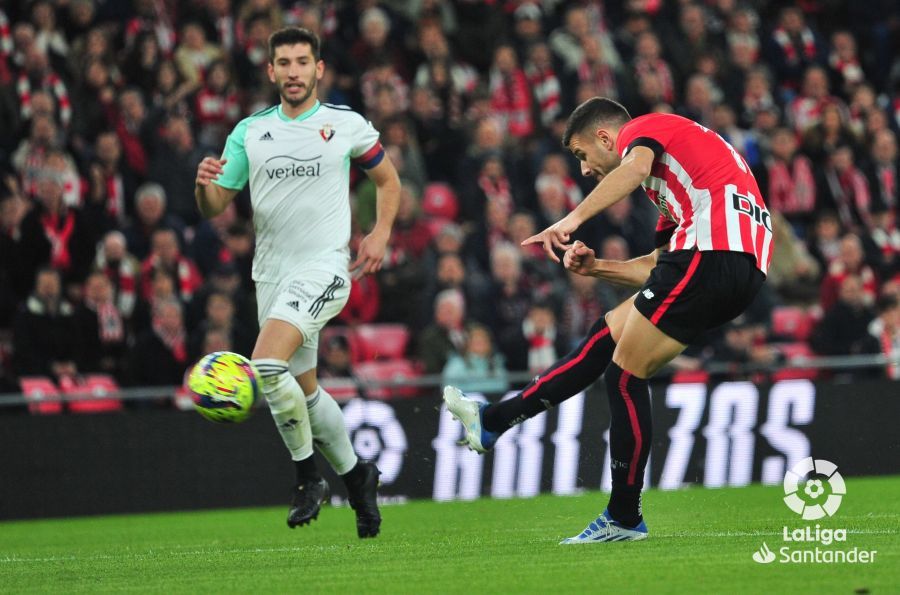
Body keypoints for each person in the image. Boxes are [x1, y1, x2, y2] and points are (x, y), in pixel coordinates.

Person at [443, 97, 771, 543]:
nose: (583, 169)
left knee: (623, 376)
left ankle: (624, 516)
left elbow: (632, 170)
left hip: (713, 254)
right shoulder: (676, 182)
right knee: (607, 334)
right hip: (738, 267)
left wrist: (570, 220)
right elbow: (659, 267)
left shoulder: (645, 131)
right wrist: (596, 268)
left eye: (582, 155)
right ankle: (494, 420)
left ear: (605, 137)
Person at [194, 27, 400, 538]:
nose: (293, 71)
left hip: (325, 268)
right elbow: (217, 205)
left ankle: (308, 478)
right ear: (270, 71)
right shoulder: (249, 132)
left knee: (265, 363)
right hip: (272, 274)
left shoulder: (344, 124)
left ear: (319, 69)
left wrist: (379, 234)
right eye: (283, 62)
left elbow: (389, 180)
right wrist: (204, 188)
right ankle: (358, 477)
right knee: (303, 388)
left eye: (302, 62)